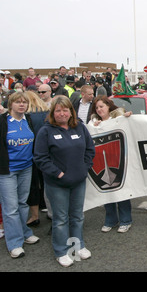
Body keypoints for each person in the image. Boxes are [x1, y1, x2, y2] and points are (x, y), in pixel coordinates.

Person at [34, 96, 95, 267]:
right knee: (60, 219)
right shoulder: (45, 131)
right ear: (53, 112)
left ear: (71, 112)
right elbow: (40, 158)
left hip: (78, 181)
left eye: (65, 110)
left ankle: (78, 245)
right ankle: (61, 251)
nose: (62, 113)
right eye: (58, 110)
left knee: (77, 216)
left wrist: (84, 169)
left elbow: (90, 150)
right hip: (57, 183)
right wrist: (58, 174)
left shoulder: (80, 127)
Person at [0, 91, 40, 259]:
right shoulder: (3, 122)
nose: (22, 104)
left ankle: (24, 231)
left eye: (24, 102)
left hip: (26, 168)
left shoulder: (28, 120)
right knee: (11, 209)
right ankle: (15, 243)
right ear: (11, 104)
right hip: (7, 170)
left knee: (23, 203)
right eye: (18, 102)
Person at [88, 96, 132, 234]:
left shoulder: (118, 119)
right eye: (97, 107)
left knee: (122, 191)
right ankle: (111, 219)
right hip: (101, 160)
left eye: (102, 106)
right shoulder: (93, 122)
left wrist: (127, 117)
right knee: (106, 190)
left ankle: (126, 220)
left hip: (118, 159)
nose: (99, 109)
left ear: (108, 106)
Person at [24, 92, 49, 228]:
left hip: (30, 154)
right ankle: (48, 208)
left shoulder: (26, 117)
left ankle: (34, 215)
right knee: (47, 181)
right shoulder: (47, 112)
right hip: (46, 153)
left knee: (33, 184)